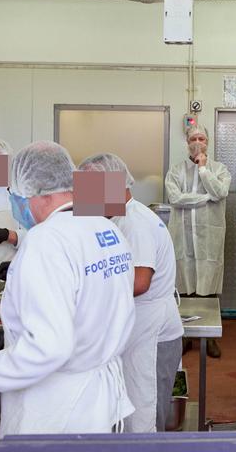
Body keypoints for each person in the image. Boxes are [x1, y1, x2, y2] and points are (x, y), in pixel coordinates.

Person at [0, 141, 136, 435]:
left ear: (33, 192)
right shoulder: (104, 228)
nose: (14, 203)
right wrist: (13, 334)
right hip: (99, 400)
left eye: (14, 195)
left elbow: (49, 348)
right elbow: (94, 307)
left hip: (56, 410)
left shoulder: (46, 240)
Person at [79, 153, 184, 433]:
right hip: (138, 328)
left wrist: (89, 291)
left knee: (144, 413)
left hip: (150, 331)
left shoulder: (136, 222)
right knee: (133, 409)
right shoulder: (117, 218)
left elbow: (140, 282)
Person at [164, 124, 230, 358]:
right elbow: (175, 198)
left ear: (208, 142)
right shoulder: (175, 171)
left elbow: (220, 192)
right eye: (193, 138)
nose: (198, 142)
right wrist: (205, 197)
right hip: (182, 237)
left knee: (208, 287)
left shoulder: (219, 169)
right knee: (184, 287)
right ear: (187, 143)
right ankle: (184, 335)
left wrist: (203, 170)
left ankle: (208, 338)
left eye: (202, 138)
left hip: (208, 239)